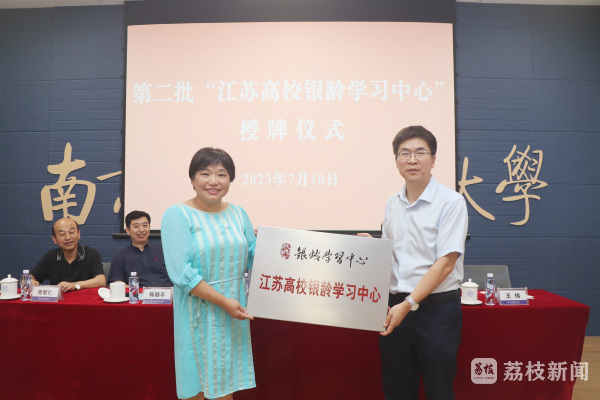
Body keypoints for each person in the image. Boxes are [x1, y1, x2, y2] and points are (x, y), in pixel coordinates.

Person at [359, 126, 468, 400]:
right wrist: (374, 247)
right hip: (395, 308)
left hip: (435, 312)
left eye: (420, 153)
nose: (412, 160)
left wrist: (409, 304)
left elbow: (446, 263)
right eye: (404, 153)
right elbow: (393, 253)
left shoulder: (451, 202)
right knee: (397, 389)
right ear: (396, 161)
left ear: (433, 159)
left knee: (439, 390)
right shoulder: (392, 203)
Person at [161, 147, 256, 400]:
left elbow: (254, 255)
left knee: (225, 384)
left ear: (230, 180)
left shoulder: (238, 213)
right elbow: (182, 273)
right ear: (192, 179)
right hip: (199, 309)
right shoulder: (178, 214)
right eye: (205, 174)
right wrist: (223, 302)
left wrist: (276, 245)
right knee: (199, 383)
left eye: (222, 174)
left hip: (234, 310)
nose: (214, 181)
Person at [31, 217, 106, 292]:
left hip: (85, 298)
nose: (67, 237)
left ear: (79, 234)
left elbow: (101, 281)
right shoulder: (51, 256)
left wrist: (75, 285)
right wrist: (30, 281)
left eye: (71, 232)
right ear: (54, 239)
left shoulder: (91, 254)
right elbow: (31, 277)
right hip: (60, 299)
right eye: (62, 234)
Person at [107, 210, 172, 288]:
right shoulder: (120, 256)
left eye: (145, 225)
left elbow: (178, 275)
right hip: (137, 294)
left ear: (149, 227)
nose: (141, 230)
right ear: (128, 230)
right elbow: (117, 283)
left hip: (167, 293)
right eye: (136, 226)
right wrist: (136, 290)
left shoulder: (163, 250)